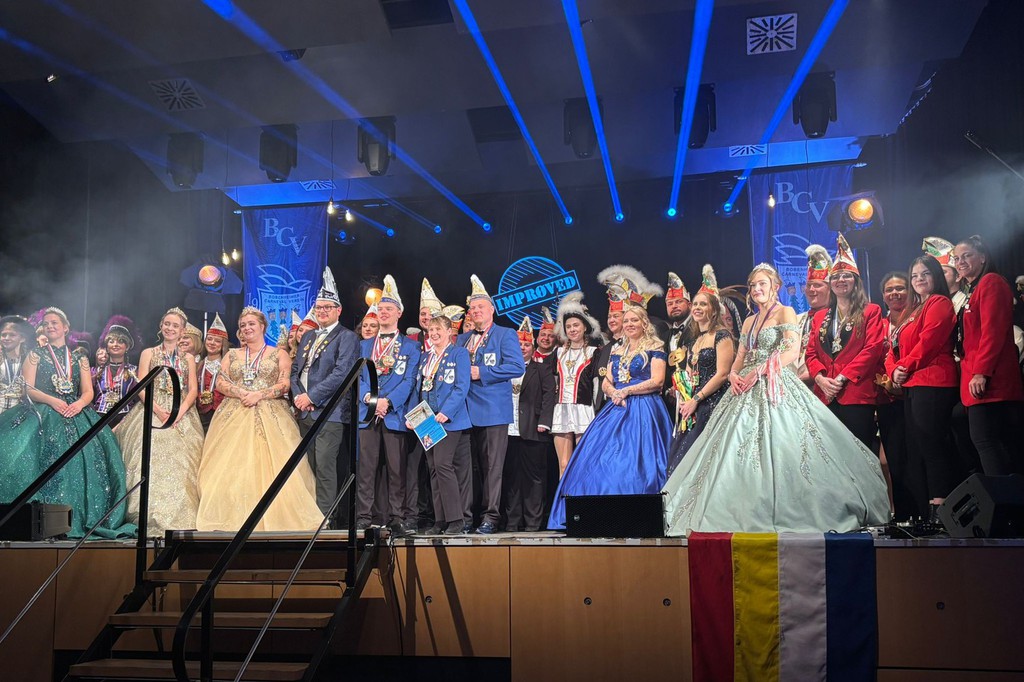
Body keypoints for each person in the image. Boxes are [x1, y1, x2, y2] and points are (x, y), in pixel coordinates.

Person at [663, 264, 890, 534]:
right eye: (753, 285)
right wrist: (734, 374)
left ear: (775, 287)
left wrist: (760, 371)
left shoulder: (785, 311)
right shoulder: (750, 320)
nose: (757, 289)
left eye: (762, 284)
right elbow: (741, 354)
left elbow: (791, 352)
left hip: (773, 382)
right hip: (745, 385)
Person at [548, 277, 672, 530]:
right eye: (626, 321)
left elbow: (657, 381)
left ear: (644, 323)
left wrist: (626, 391)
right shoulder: (616, 350)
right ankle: (601, 515)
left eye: (634, 320)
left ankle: (642, 515)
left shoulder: (655, 346)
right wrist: (613, 391)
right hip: (617, 407)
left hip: (645, 409)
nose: (629, 324)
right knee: (601, 461)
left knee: (639, 462)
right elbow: (607, 381)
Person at [0, 307, 135, 538]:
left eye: (54, 322)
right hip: (46, 409)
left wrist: (79, 405)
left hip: (75, 410)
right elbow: (28, 389)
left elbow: (88, 391)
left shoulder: (79, 358)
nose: (50, 326)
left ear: (65, 327)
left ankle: (82, 516)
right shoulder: (34, 354)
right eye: (46, 323)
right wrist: (53, 401)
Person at [196, 308, 323, 531]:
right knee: (231, 464)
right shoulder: (232, 354)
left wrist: (259, 394)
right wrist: (241, 392)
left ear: (262, 326)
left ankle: (274, 516)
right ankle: (233, 516)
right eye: (243, 325)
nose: (247, 328)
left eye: (251, 324)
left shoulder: (279, 354)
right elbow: (221, 383)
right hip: (235, 411)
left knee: (275, 464)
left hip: (270, 412)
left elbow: (285, 384)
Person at [115, 307, 204, 535]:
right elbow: (141, 386)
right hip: (153, 408)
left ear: (182, 331)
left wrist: (178, 413)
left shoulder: (188, 358)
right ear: (161, 326)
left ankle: (182, 515)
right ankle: (146, 515)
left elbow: (193, 390)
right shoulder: (149, 353)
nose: (170, 328)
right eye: (167, 324)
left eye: (175, 326)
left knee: (184, 463)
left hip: (181, 411)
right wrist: (158, 410)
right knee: (147, 457)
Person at [886, 255, 960, 521]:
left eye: (925, 274)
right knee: (918, 449)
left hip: (933, 381)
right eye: (915, 275)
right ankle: (927, 511)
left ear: (936, 276)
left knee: (932, 446)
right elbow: (892, 347)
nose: (919, 279)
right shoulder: (913, 310)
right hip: (912, 383)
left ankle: (942, 511)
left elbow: (929, 342)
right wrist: (893, 370)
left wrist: (904, 366)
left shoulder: (939, 303)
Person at [456, 274, 526, 534]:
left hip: (493, 411)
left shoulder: (505, 334)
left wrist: (482, 372)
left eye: (480, 307)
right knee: (466, 469)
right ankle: (464, 517)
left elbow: (517, 367)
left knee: (492, 468)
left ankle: (491, 517)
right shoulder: (462, 339)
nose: (476, 311)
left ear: (491, 309)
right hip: (464, 411)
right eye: (472, 308)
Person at [291, 267, 361, 526]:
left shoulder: (347, 337)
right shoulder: (308, 335)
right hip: (305, 411)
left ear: (338, 310)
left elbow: (342, 373)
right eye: (318, 307)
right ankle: (308, 515)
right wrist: (299, 397)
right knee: (307, 466)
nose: (322, 311)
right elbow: (296, 371)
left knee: (325, 466)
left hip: (330, 412)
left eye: (327, 308)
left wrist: (311, 397)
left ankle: (325, 518)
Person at [806, 234, 886, 448]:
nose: (840, 280)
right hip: (824, 394)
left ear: (856, 281)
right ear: (830, 283)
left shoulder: (871, 311)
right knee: (830, 455)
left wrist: (841, 378)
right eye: (836, 277)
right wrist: (820, 379)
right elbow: (811, 353)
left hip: (856, 393)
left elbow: (872, 349)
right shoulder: (820, 316)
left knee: (860, 454)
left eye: (846, 276)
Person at [356, 275, 420, 536]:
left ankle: (397, 517)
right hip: (368, 413)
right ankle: (363, 516)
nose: (383, 313)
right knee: (366, 469)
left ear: (399, 313)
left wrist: (388, 402)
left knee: (396, 470)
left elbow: (409, 380)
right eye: (380, 309)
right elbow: (358, 378)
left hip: (395, 414)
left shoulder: (411, 347)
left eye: (388, 309)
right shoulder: (363, 345)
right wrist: (371, 401)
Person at [954, 235, 1024, 475]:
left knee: (988, 442)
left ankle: (1004, 497)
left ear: (983, 257)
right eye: (957, 258)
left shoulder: (991, 282)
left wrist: (981, 372)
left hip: (992, 381)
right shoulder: (973, 289)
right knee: (989, 442)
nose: (960, 262)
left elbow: (993, 331)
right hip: (978, 381)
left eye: (967, 256)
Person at [666, 265, 735, 475]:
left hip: (714, 403)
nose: (697, 307)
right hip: (694, 404)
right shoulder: (695, 341)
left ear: (713, 309)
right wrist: (682, 390)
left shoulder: (722, 336)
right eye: (695, 304)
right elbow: (689, 374)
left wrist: (696, 399)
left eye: (703, 304)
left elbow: (722, 374)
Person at [409, 315, 472, 535]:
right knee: (434, 469)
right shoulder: (426, 357)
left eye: (438, 329)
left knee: (443, 465)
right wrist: (413, 417)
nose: (434, 333)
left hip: (449, 419)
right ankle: (440, 520)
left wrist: (446, 412)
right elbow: (419, 389)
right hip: (427, 420)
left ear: (449, 332)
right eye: (431, 330)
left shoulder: (459, 354)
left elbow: (462, 386)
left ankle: (456, 519)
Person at [503, 317, 556, 532]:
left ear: (532, 346)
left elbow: (549, 396)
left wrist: (544, 422)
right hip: (508, 430)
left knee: (534, 479)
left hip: (533, 430)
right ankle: (512, 522)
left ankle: (533, 522)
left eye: (526, 344)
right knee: (511, 477)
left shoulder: (541, 369)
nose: (522, 347)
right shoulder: (504, 368)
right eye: (519, 344)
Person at [549, 292, 601, 477]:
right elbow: (551, 382)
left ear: (585, 327)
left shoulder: (594, 353)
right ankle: (563, 496)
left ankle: (583, 495)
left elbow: (597, 386)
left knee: (583, 462)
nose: (572, 329)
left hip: (584, 409)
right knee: (563, 464)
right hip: (561, 409)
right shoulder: (558, 353)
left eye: (576, 325)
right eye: (568, 326)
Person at [876, 271, 914, 520]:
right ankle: (900, 515)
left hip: (915, 395)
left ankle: (922, 514)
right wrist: (887, 383)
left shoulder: (917, 317)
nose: (895, 293)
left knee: (917, 457)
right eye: (889, 290)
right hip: (886, 399)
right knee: (891, 461)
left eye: (900, 288)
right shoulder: (879, 324)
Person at [794, 244, 834, 384]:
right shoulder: (796, 319)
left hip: (825, 385)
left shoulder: (837, 318)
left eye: (817, 285)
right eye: (808, 285)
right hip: (793, 387)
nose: (811, 289)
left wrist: (813, 375)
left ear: (830, 289)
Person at [91, 317, 140, 428]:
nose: (115, 344)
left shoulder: (134, 371)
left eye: (120, 341)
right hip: (99, 421)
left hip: (126, 422)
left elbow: (139, 400)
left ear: (127, 347)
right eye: (111, 341)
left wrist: (127, 422)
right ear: (107, 347)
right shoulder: (94, 372)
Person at [196, 314, 229, 431]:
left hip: (221, 413)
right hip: (199, 413)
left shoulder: (227, 365)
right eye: (209, 339)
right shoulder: (197, 364)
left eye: (217, 341)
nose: (212, 343)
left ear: (223, 344)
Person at [0, 315, 33, 415]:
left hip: (20, 412)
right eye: (3, 335)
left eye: (12, 335)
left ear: (22, 338)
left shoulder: (29, 359)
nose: (7, 338)